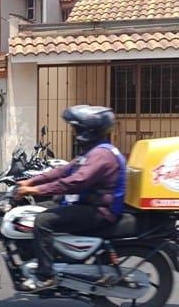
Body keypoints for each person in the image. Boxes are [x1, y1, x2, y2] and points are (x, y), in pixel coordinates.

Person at [16, 105, 126, 292]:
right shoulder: (94, 150)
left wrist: (35, 191)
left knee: (43, 221)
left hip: (100, 211)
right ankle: (54, 258)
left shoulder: (101, 155)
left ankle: (45, 276)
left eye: (77, 128)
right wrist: (31, 181)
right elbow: (64, 171)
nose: (74, 132)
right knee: (39, 209)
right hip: (90, 203)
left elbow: (75, 182)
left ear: (88, 130)